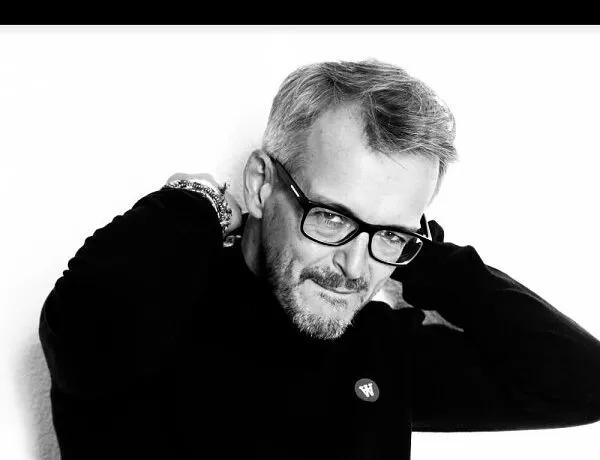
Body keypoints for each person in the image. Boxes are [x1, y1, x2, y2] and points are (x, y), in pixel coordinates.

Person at [39, 59, 600, 460]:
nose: (354, 268)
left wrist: (421, 256)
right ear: (261, 184)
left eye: (389, 234)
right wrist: (195, 205)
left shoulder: (379, 347)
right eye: (332, 217)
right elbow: (87, 327)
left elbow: (583, 383)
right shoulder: (158, 317)